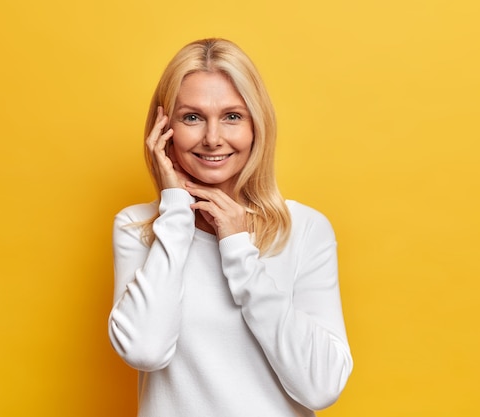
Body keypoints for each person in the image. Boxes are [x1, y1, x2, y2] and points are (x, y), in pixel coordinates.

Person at [108, 38, 353, 417]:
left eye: (232, 116)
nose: (212, 138)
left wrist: (239, 250)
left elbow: (321, 387)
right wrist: (175, 216)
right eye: (192, 117)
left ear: (257, 125)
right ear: (164, 129)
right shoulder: (138, 228)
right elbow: (145, 349)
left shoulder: (304, 229)